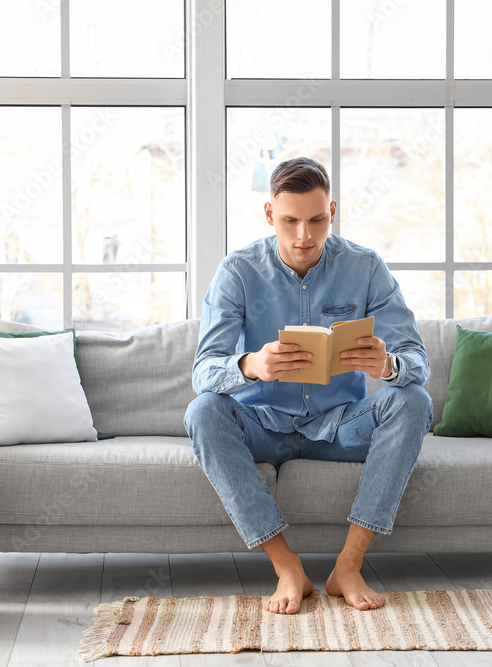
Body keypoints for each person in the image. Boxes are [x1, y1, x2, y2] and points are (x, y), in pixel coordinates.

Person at [185, 157, 433, 615]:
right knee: (202, 411)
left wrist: (389, 364)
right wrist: (250, 364)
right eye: (290, 221)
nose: (304, 236)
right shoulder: (238, 272)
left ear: (332, 211)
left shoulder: (365, 267)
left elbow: (418, 361)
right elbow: (203, 372)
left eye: (317, 220)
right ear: (268, 215)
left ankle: (348, 566)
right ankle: (287, 568)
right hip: (262, 424)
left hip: (341, 426)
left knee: (413, 401)